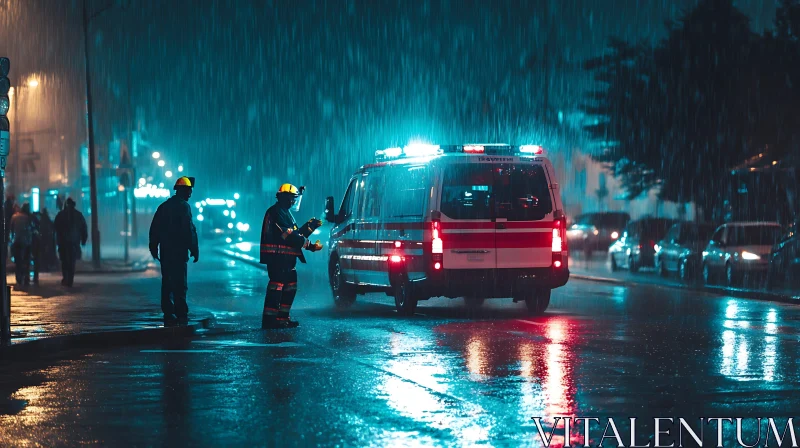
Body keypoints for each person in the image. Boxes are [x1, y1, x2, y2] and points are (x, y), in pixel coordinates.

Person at [259, 183, 323, 329]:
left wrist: (310, 226)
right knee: (277, 288)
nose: (294, 202)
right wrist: (310, 246)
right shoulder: (276, 212)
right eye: (293, 199)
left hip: (287, 259)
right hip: (277, 259)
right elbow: (290, 236)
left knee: (290, 287)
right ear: (285, 198)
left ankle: (282, 318)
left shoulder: (284, 212)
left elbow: (296, 234)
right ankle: (270, 320)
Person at [149, 176, 199, 326]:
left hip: (166, 252)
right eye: (189, 191)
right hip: (179, 252)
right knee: (180, 283)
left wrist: (154, 246)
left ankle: (168, 312)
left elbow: (155, 228)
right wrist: (194, 248)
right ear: (183, 191)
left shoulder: (163, 206)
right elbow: (188, 230)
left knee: (167, 282)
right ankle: (181, 312)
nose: (190, 194)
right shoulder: (184, 207)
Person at [54, 198, 88, 287]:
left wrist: (56, 240)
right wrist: (83, 240)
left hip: (63, 242)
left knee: (64, 261)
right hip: (74, 242)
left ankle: (66, 277)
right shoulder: (78, 215)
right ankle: (70, 279)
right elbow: (83, 228)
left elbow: (56, 228)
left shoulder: (61, 214)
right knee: (72, 261)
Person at [10, 203, 33, 287]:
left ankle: (19, 278)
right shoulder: (27, 218)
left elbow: (11, 230)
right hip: (26, 242)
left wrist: (12, 239)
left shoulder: (14, 217)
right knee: (26, 260)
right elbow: (30, 229)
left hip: (16, 241)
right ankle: (26, 277)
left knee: (18, 261)